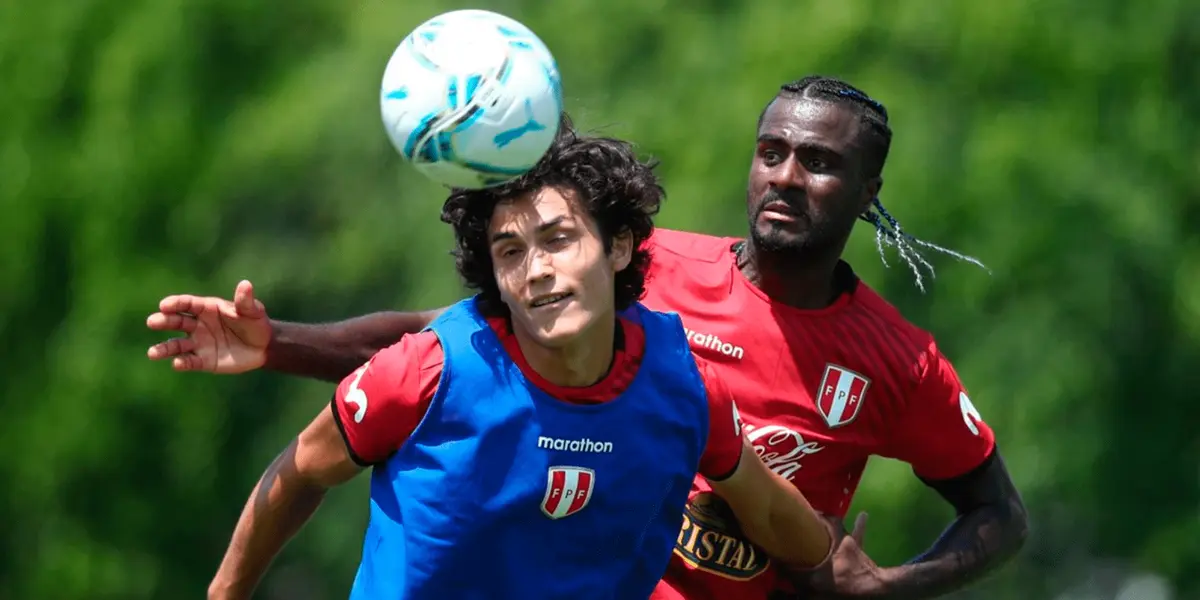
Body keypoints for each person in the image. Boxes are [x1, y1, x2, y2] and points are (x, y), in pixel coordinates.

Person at [153, 76, 1028, 600]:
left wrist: (882, 587)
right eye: (771, 152)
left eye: (820, 162)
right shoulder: (647, 270)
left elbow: (994, 514)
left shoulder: (891, 362)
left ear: (869, 184)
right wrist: (278, 345)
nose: (786, 177)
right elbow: (442, 342)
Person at [202, 118, 837, 600]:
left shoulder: (682, 384)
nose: (536, 270)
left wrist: (834, 566)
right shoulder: (428, 372)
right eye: (509, 252)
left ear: (618, 248)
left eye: (559, 240)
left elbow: (773, 511)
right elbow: (303, 470)